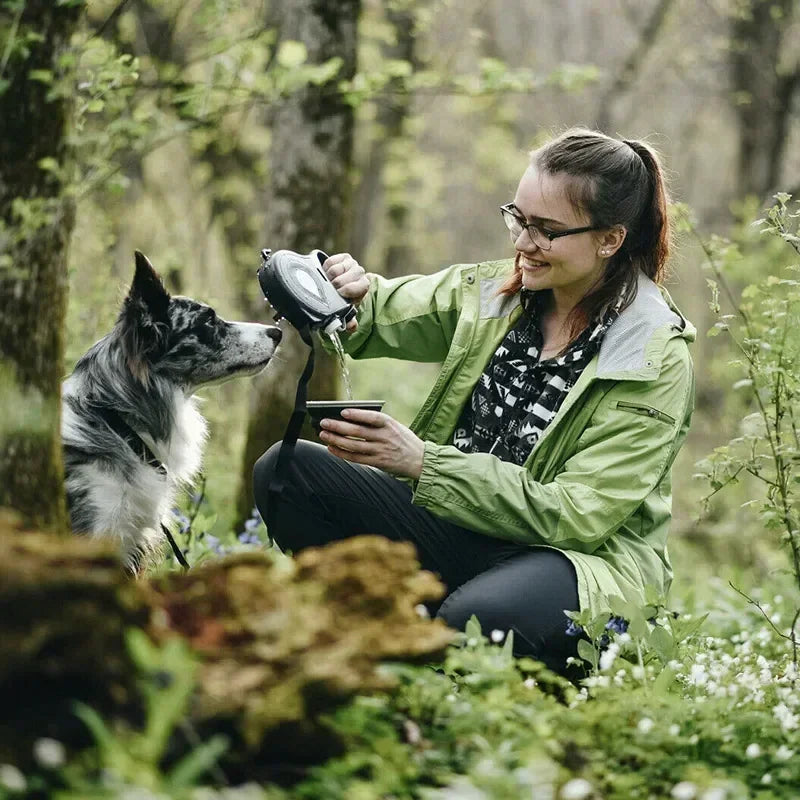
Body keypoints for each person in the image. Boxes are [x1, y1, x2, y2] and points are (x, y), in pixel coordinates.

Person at [253, 127, 695, 678]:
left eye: (547, 230)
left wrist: (422, 463)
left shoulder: (652, 354)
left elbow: (579, 514)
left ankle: (459, 663)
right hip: (464, 526)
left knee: (477, 619)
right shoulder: (503, 290)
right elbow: (392, 310)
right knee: (286, 471)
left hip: (580, 564)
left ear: (609, 239)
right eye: (519, 218)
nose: (523, 243)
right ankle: (378, 650)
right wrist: (344, 293)